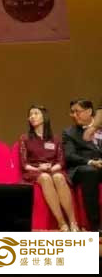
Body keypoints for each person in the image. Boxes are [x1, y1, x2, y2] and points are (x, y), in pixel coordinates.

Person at [20, 105, 79, 232]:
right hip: (34, 171)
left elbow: (61, 162)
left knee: (58, 177)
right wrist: (39, 169)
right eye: (30, 115)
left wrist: (51, 168)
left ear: (44, 117)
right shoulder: (25, 138)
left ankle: (73, 222)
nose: (32, 117)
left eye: (36, 113)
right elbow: (24, 164)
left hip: (53, 169)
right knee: (45, 178)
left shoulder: (55, 139)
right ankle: (61, 223)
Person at [63, 99, 102, 232]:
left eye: (77, 112)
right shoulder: (69, 133)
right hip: (82, 168)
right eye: (72, 112)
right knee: (90, 172)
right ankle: (95, 227)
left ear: (89, 111)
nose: (74, 115)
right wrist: (91, 162)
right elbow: (69, 155)